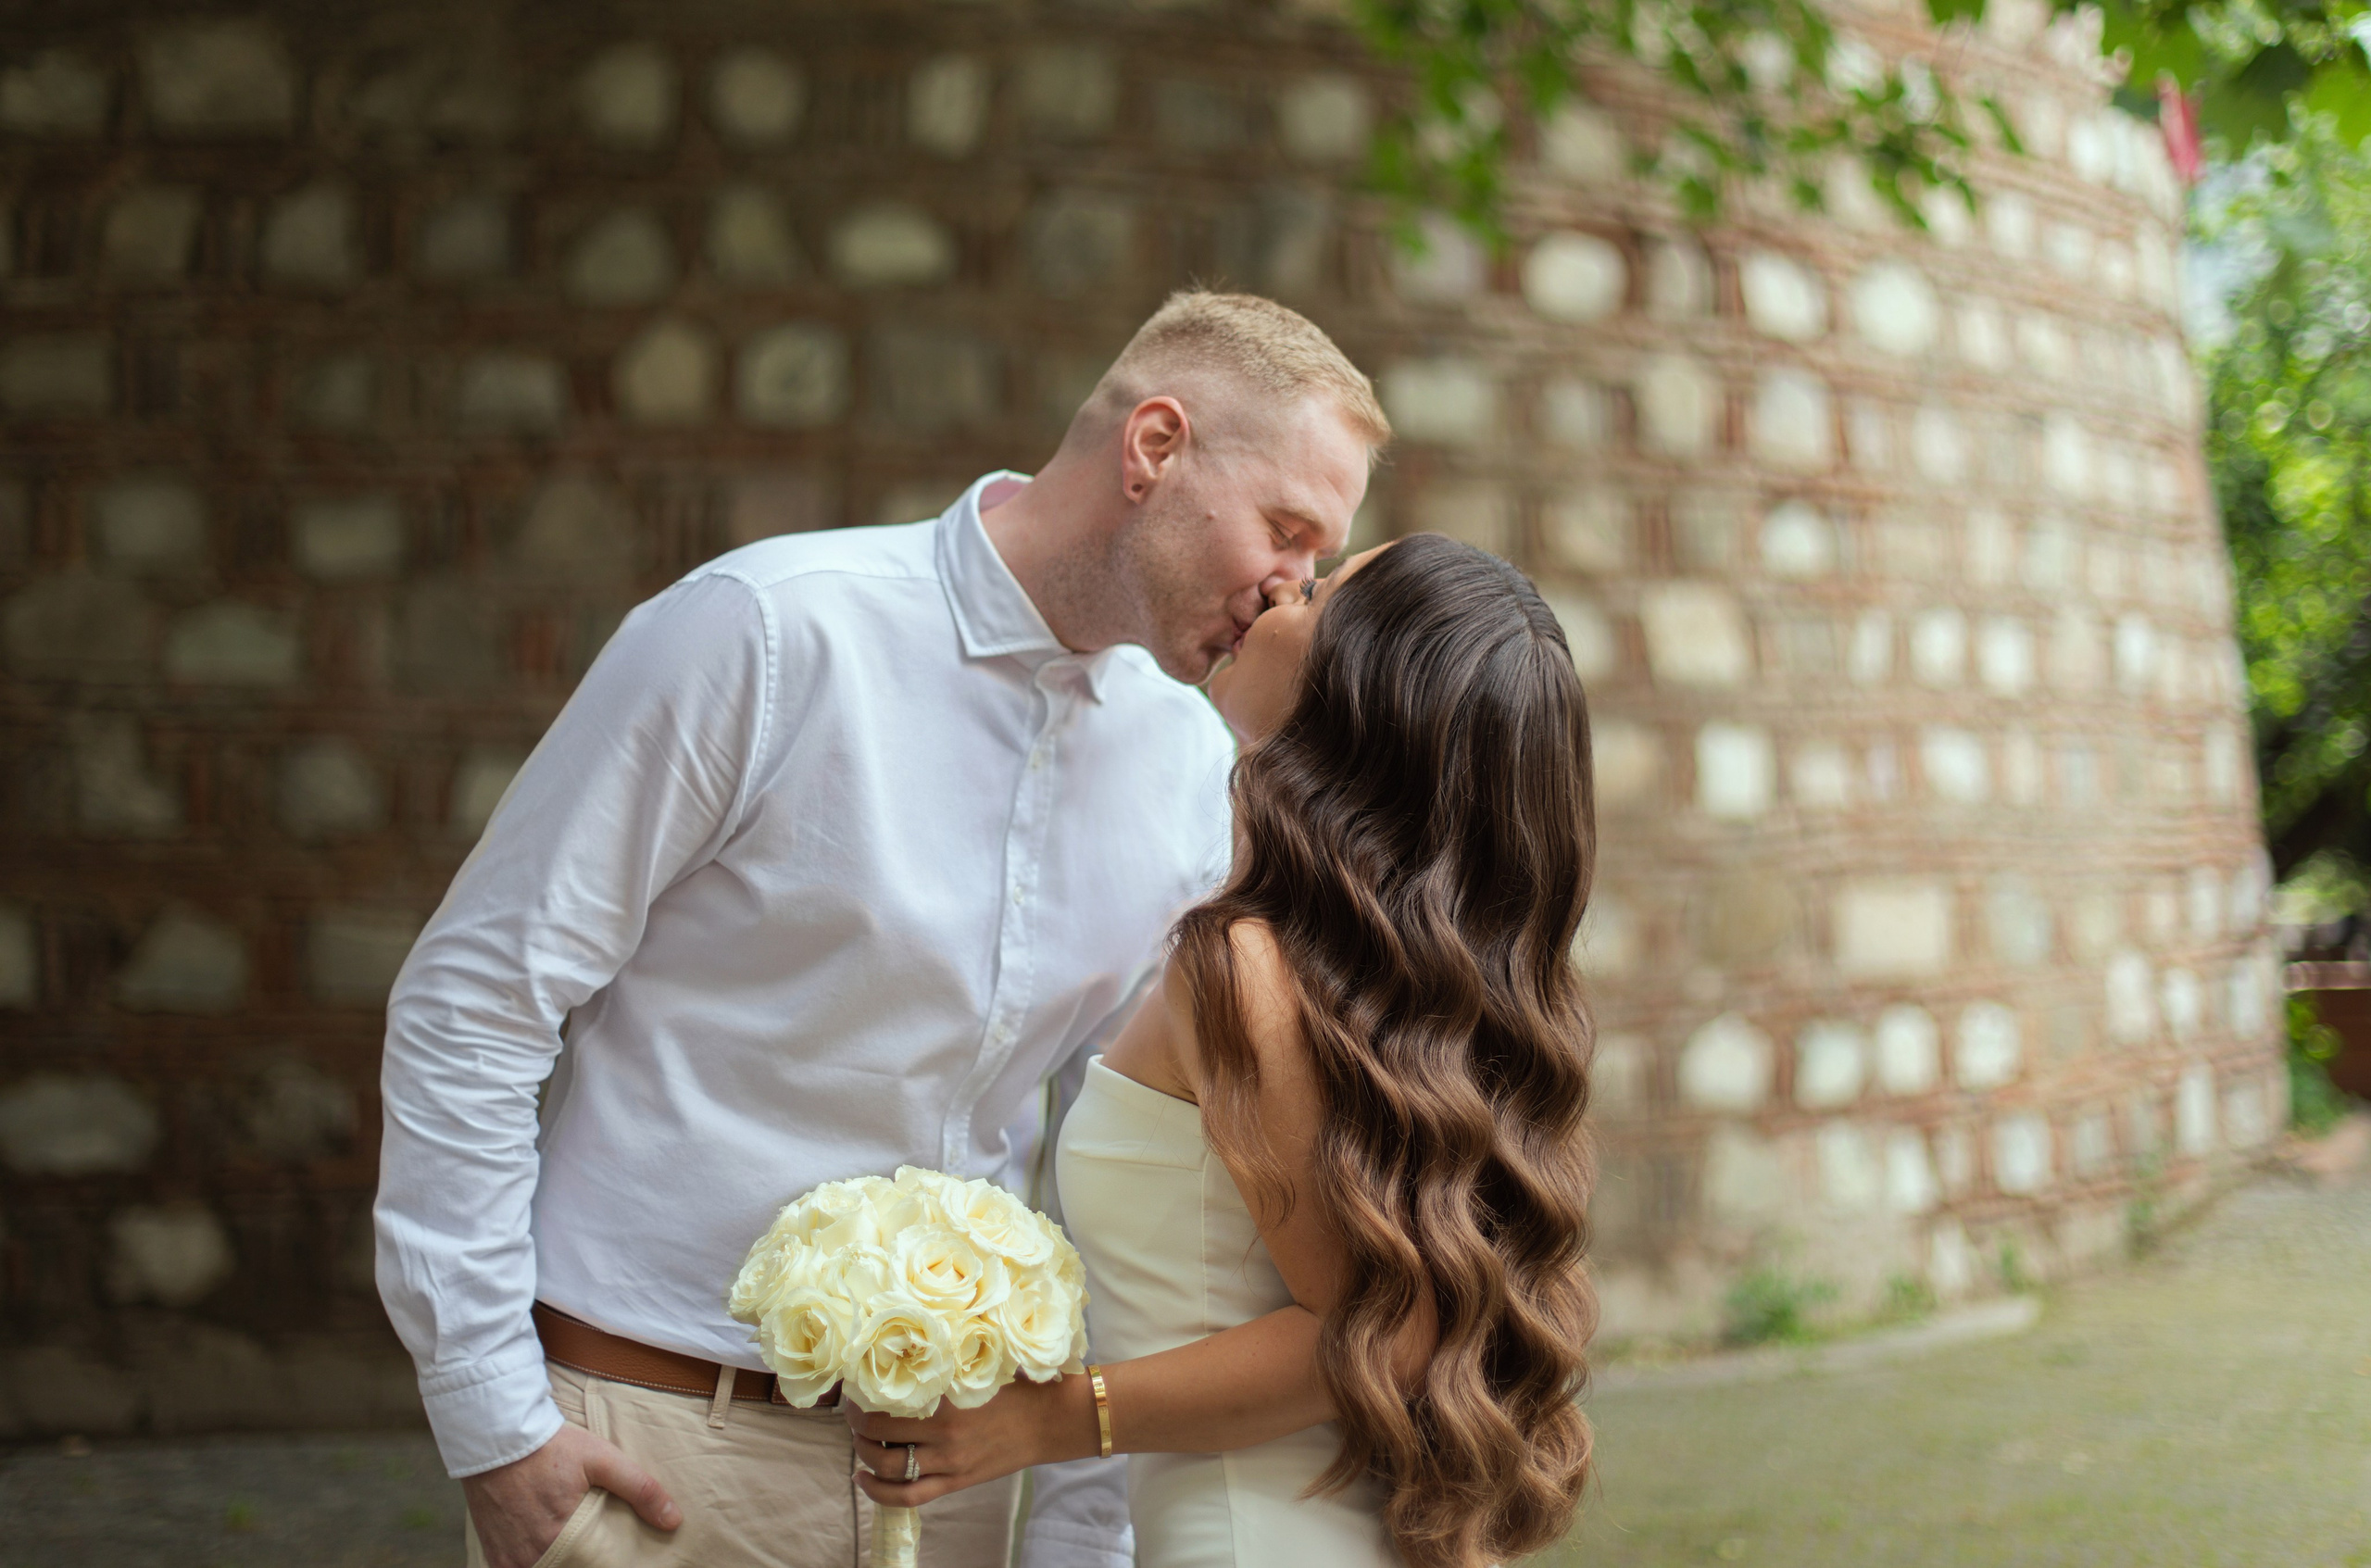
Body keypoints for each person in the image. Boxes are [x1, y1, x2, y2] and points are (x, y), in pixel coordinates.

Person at [373, 289, 1391, 1568]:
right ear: (1155, 448)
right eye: (1286, 528)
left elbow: (1117, 1168)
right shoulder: (765, 633)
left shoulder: (1191, 764)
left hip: (953, 1477)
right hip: (649, 1455)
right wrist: (495, 1422)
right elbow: (475, 997)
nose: (1292, 585)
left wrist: (1080, 1534)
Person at [842, 533, 1600, 1568]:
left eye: (1320, 590)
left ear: (1360, 690)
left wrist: (1049, 1421)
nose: (1283, 586)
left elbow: (1376, 1329)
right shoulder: (1349, 981)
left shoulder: (1243, 968)